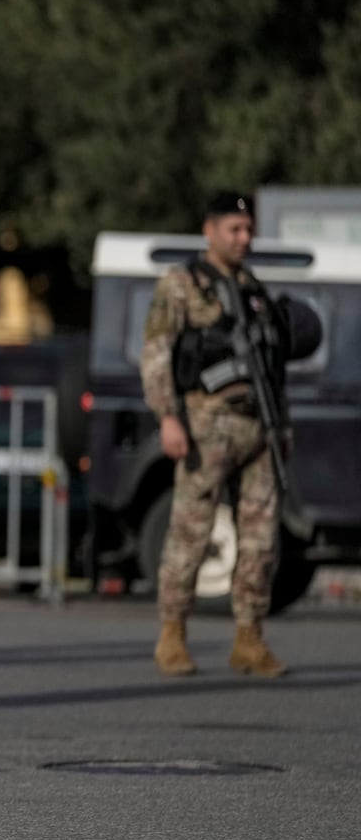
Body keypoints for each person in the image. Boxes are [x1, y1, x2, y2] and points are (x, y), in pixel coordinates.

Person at [142, 191, 301, 678]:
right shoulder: (181, 284)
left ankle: (249, 640)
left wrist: (282, 425)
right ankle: (172, 635)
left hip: (258, 427)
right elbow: (157, 355)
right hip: (206, 425)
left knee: (260, 539)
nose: (244, 238)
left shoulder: (252, 288)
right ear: (209, 230)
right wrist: (168, 417)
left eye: (248, 229)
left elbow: (271, 364)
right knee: (191, 531)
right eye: (234, 228)